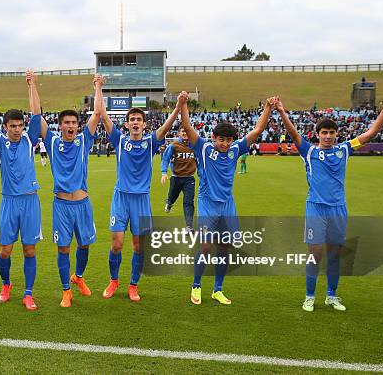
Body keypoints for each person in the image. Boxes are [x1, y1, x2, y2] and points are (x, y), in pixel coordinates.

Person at [277, 99, 383, 312]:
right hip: (316, 208)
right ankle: (310, 296)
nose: (328, 136)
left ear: (336, 134)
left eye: (331, 133)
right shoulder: (309, 151)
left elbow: (370, 135)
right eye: (324, 133)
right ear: (317, 134)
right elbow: (293, 134)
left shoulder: (345, 149)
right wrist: (282, 112)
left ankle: (331, 296)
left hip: (338, 208)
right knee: (315, 252)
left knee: (335, 254)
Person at [182, 95, 275, 306]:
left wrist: (268, 107)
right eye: (220, 139)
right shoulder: (204, 149)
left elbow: (257, 131)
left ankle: (218, 289)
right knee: (206, 247)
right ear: (213, 137)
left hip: (227, 205)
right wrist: (183, 104)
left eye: (227, 140)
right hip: (207, 203)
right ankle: (196, 286)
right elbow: (187, 127)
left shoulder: (235, 150)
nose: (224, 144)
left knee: (225, 248)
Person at [100, 91, 185, 302]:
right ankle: (113, 280)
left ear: (144, 124)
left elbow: (166, 126)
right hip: (121, 198)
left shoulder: (151, 143)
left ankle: (133, 285)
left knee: (139, 246)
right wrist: (99, 87)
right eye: (132, 120)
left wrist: (178, 106)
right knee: (117, 244)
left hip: (141, 200)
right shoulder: (119, 141)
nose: (135, 122)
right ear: (127, 125)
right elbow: (103, 115)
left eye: (139, 119)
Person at [37, 73, 102, 307]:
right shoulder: (52, 142)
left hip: (83, 204)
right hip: (62, 205)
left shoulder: (84, 141)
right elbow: (37, 116)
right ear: (61, 125)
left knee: (84, 245)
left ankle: (79, 277)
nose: (71, 126)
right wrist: (32, 84)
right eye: (67, 122)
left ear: (78, 125)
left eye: (74, 122)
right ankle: (66, 290)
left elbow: (97, 114)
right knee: (63, 247)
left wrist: (97, 86)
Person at [0, 69, 42, 311]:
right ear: (6, 127)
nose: (17, 129)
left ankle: (28, 293)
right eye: (13, 126)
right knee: (5, 250)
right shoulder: (0, 143)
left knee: (29, 249)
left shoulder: (30, 140)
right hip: (9, 202)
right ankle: (6, 284)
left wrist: (32, 85)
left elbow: (37, 114)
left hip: (30, 201)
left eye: (20, 125)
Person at [160, 127, 197, 228]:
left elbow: (199, 161)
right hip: (176, 177)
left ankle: (189, 226)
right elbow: (165, 159)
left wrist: (202, 175)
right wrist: (164, 172)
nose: (185, 133)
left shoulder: (194, 145)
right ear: (178, 134)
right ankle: (169, 202)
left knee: (189, 202)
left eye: (187, 131)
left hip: (189, 178)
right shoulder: (173, 146)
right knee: (172, 197)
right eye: (183, 131)